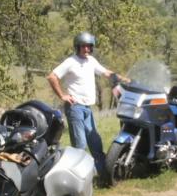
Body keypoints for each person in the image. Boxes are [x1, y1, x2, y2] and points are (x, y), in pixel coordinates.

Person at [47, 31, 126, 180]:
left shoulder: (91, 61)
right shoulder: (71, 61)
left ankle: (104, 176)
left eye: (89, 47)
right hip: (75, 107)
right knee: (80, 145)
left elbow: (105, 72)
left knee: (95, 141)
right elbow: (52, 76)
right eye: (83, 47)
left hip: (87, 108)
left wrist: (124, 79)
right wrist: (62, 95)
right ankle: (79, 179)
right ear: (77, 47)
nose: (86, 50)